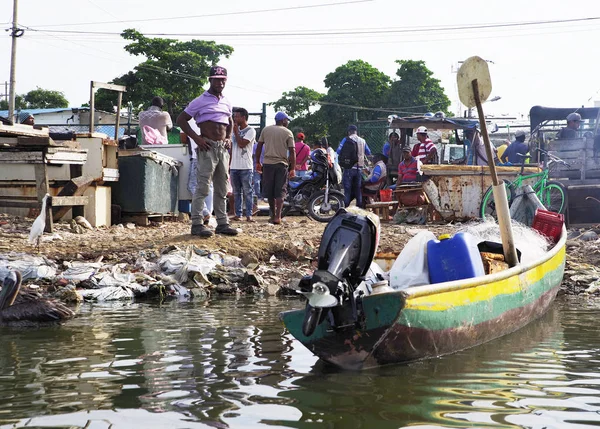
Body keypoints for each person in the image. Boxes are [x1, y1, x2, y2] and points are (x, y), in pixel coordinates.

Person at [176, 65, 238, 238]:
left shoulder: (227, 101)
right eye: (217, 80)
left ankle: (222, 223)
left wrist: (228, 137)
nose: (220, 83)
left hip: (222, 148)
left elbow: (230, 121)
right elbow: (181, 119)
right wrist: (197, 139)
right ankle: (196, 223)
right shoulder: (200, 100)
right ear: (210, 80)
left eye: (223, 80)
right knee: (203, 186)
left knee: (222, 187)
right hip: (207, 146)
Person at [255, 111, 296, 225]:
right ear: (283, 120)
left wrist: (258, 162)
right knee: (280, 191)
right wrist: (292, 168)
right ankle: (278, 216)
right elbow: (292, 151)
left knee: (270, 191)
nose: (287, 122)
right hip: (281, 164)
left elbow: (259, 147)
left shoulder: (266, 130)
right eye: (287, 120)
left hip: (267, 164)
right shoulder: (288, 132)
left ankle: (272, 215)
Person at [181, 120, 213, 225]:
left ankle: (204, 212)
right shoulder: (209, 118)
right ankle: (208, 213)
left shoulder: (187, 121)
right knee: (209, 185)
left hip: (197, 156)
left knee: (192, 185)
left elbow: (183, 138)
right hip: (212, 155)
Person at [230, 107, 256, 222]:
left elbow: (241, 144)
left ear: (243, 117)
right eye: (234, 116)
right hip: (234, 166)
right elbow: (231, 147)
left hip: (246, 166)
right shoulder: (233, 129)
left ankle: (249, 215)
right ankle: (238, 214)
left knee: (247, 191)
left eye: (236, 116)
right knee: (236, 192)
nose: (234, 118)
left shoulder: (251, 130)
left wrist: (236, 132)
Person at [336, 125, 371, 207]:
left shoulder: (346, 139)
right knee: (358, 189)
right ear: (356, 131)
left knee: (347, 189)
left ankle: (345, 206)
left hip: (348, 168)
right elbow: (368, 152)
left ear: (349, 132)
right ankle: (359, 206)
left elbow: (338, 151)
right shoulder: (363, 141)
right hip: (359, 169)